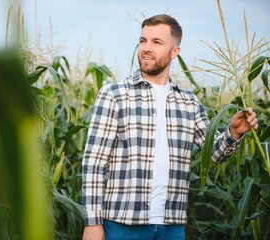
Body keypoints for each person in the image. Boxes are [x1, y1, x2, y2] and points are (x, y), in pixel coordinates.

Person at [81, 14, 258, 240]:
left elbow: (212, 154)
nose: (146, 48)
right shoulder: (114, 95)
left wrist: (233, 133)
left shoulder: (189, 102)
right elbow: (94, 163)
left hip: (172, 225)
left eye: (157, 42)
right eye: (143, 40)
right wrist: (92, 223)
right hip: (122, 224)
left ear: (175, 51)